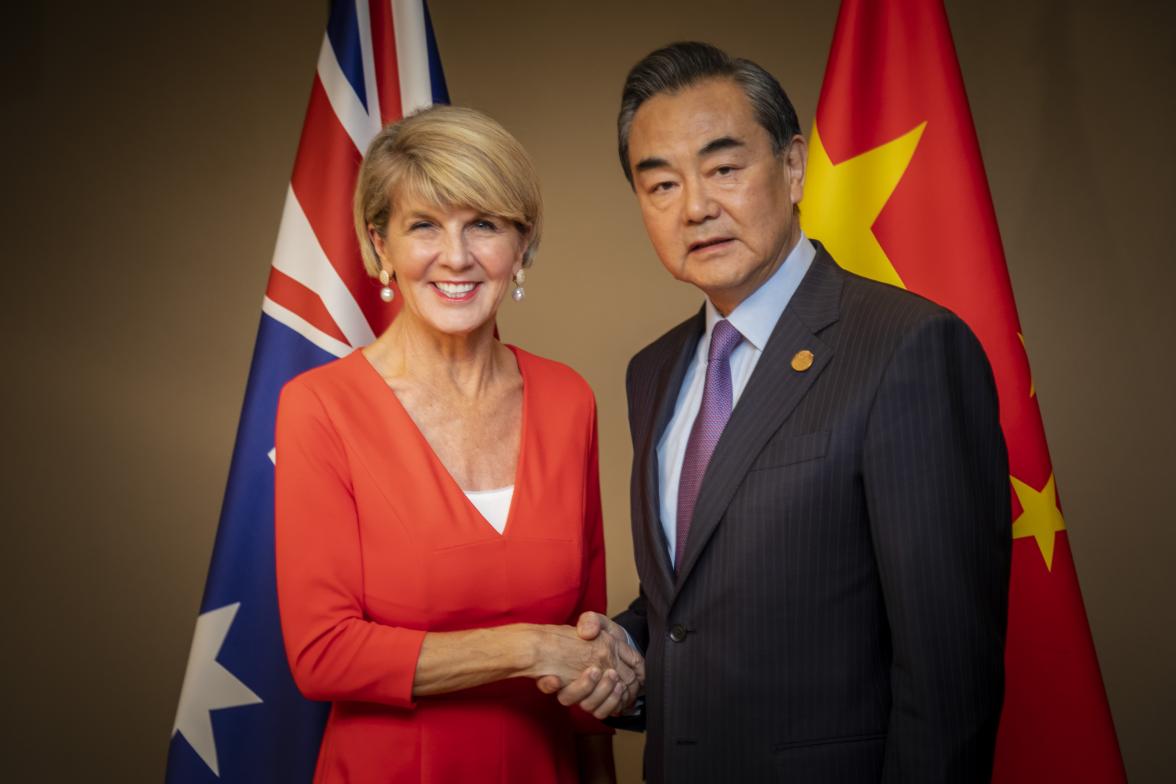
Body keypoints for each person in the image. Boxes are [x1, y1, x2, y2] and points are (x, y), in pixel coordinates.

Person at [549, 42, 1011, 782]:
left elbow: (949, 674)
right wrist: (624, 649)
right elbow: (697, 596)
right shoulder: (654, 370)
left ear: (793, 167)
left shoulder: (908, 348)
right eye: (661, 184)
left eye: (724, 168)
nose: (696, 207)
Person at [274, 105, 642, 784]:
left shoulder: (568, 399)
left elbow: (586, 642)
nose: (457, 256)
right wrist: (527, 648)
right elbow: (322, 652)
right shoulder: (319, 407)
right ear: (380, 245)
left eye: (484, 224)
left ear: (523, 246)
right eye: (424, 226)